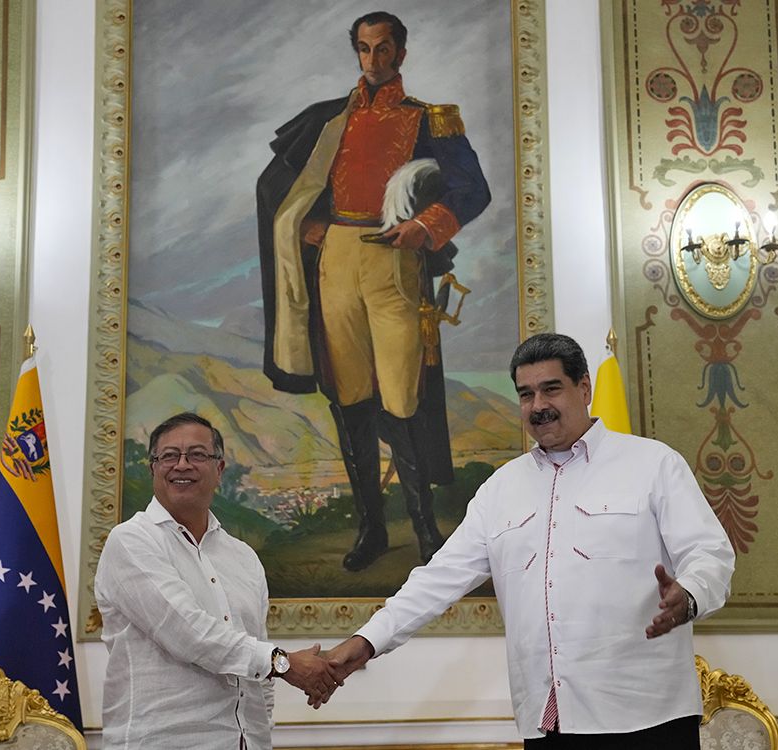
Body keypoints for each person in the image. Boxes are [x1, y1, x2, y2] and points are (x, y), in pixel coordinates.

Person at [326, 334, 736, 748]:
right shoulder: (499, 489)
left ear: (585, 388)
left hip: (647, 718)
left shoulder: (653, 464)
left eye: (551, 388)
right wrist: (367, 642)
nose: (538, 405)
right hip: (548, 722)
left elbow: (710, 554)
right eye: (526, 394)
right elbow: (436, 579)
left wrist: (689, 595)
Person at [256, 11, 492, 571]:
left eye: (383, 49)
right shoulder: (327, 121)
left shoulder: (431, 119)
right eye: (364, 49)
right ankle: (373, 531)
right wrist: (308, 225)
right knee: (350, 400)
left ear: (401, 53)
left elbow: (472, 190)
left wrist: (425, 226)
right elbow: (278, 186)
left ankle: (427, 531)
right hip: (335, 263)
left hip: (396, 264)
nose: (373, 60)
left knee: (402, 399)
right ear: (356, 53)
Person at [95, 412, 341, 749]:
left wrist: (260, 734)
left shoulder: (243, 557)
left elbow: (260, 675)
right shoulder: (131, 541)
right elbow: (188, 633)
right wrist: (283, 664)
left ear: (219, 470)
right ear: (153, 467)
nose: (182, 465)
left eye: (197, 455)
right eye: (169, 456)